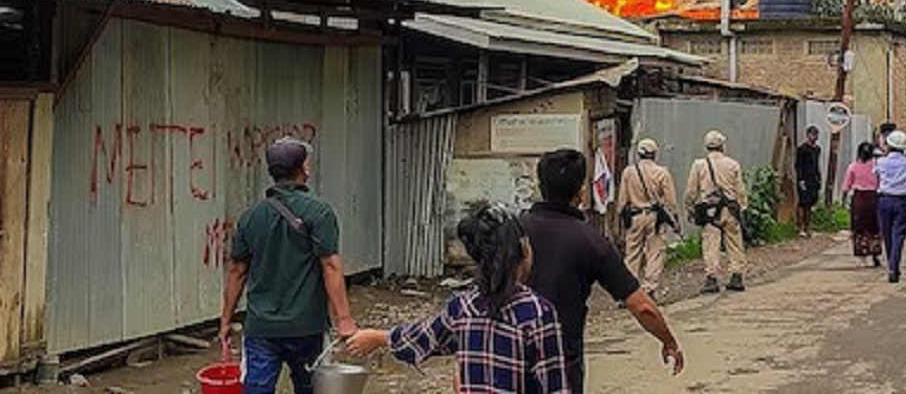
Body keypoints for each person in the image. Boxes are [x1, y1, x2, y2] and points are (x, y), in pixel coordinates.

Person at [346, 204, 569, 393]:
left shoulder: (463, 307)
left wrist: (378, 337)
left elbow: (424, 337)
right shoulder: (538, 314)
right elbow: (555, 386)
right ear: (524, 250)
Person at [524, 149, 683, 393]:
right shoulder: (590, 240)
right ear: (581, 193)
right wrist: (668, 341)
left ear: (540, 186)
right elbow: (641, 306)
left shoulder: (513, 231)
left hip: (505, 357)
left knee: (634, 253)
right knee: (653, 254)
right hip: (561, 362)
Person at [220, 138, 356, 394]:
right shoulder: (320, 212)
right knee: (310, 388)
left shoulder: (250, 217)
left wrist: (226, 321)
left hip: (261, 328)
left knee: (257, 390)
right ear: (303, 169)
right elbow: (330, 265)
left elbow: (237, 272)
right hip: (307, 327)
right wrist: (344, 319)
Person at [685, 130, 750, 294]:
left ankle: (712, 278)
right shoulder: (733, 164)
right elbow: (740, 190)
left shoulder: (699, 165)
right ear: (722, 146)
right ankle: (736, 276)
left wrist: (690, 208)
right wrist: (743, 208)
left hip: (709, 211)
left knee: (710, 245)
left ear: (706, 146)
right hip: (731, 209)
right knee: (734, 243)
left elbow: (691, 191)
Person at [617, 138, 680, 301]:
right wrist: (675, 220)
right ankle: (649, 289)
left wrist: (621, 219)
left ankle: (628, 291)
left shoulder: (628, 172)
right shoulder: (662, 173)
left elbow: (622, 200)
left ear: (639, 154)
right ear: (655, 154)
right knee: (655, 253)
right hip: (655, 218)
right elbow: (671, 201)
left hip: (635, 216)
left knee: (632, 254)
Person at [876, 130, 906, 284]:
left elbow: (877, 177)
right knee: (898, 234)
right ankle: (894, 266)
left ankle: (891, 264)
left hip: (885, 199)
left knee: (886, 235)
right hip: (902, 200)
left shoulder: (881, 161)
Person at [843, 142, 882, 267]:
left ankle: (862, 257)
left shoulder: (853, 166)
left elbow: (846, 186)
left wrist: (844, 200)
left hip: (859, 199)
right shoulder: (877, 166)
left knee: (859, 228)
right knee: (874, 227)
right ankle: (875, 254)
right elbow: (881, 182)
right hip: (874, 198)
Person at [794, 126, 823, 238]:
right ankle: (800, 227)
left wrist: (819, 178)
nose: (814, 137)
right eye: (812, 134)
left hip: (813, 180)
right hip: (804, 179)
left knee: (810, 204)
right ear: (807, 135)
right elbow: (798, 166)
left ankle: (809, 227)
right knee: (803, 203)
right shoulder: (802, 149)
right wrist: (800, 180)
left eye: (816, 134)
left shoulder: (817, 149)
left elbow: (816, 165)